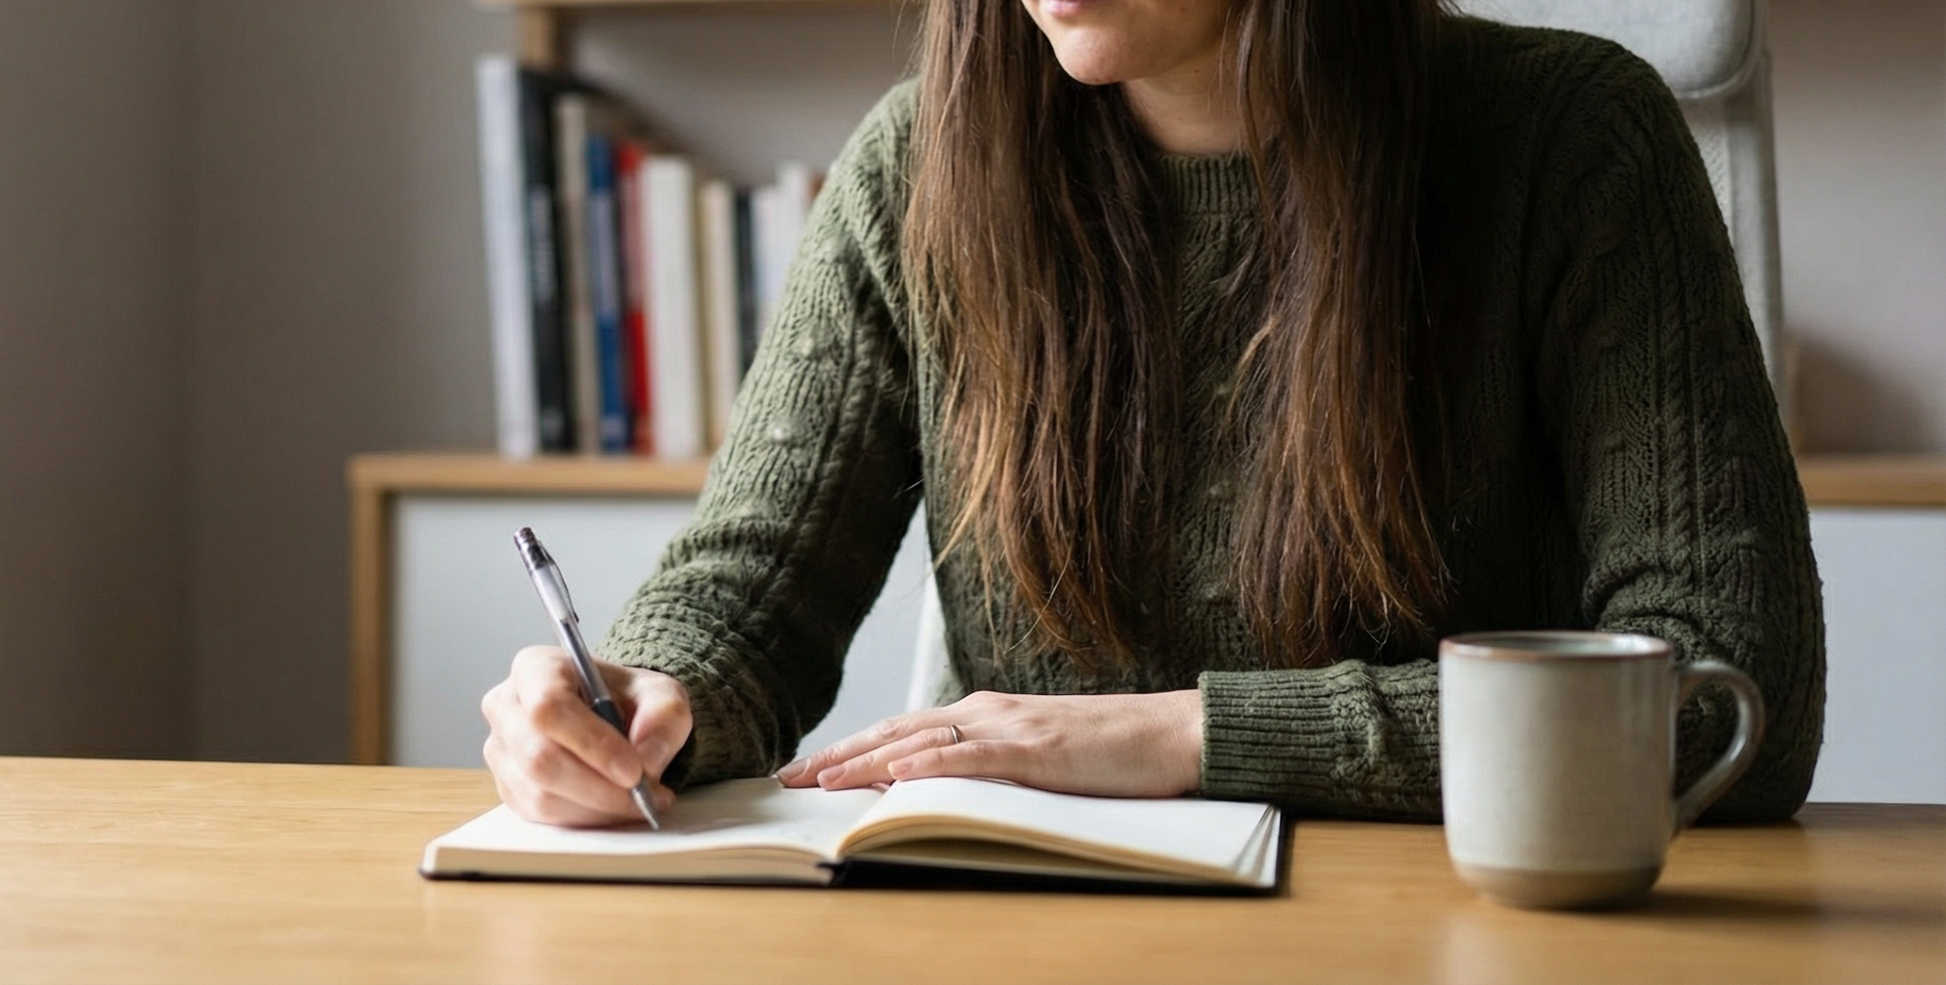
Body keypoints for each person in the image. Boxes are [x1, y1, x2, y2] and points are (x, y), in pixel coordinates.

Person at [479, 0, 1823, 827]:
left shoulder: (1572, 143)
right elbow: (749, 598)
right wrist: (639, 704)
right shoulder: (919, 170)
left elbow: (1722, 691)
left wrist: (1183, 735)